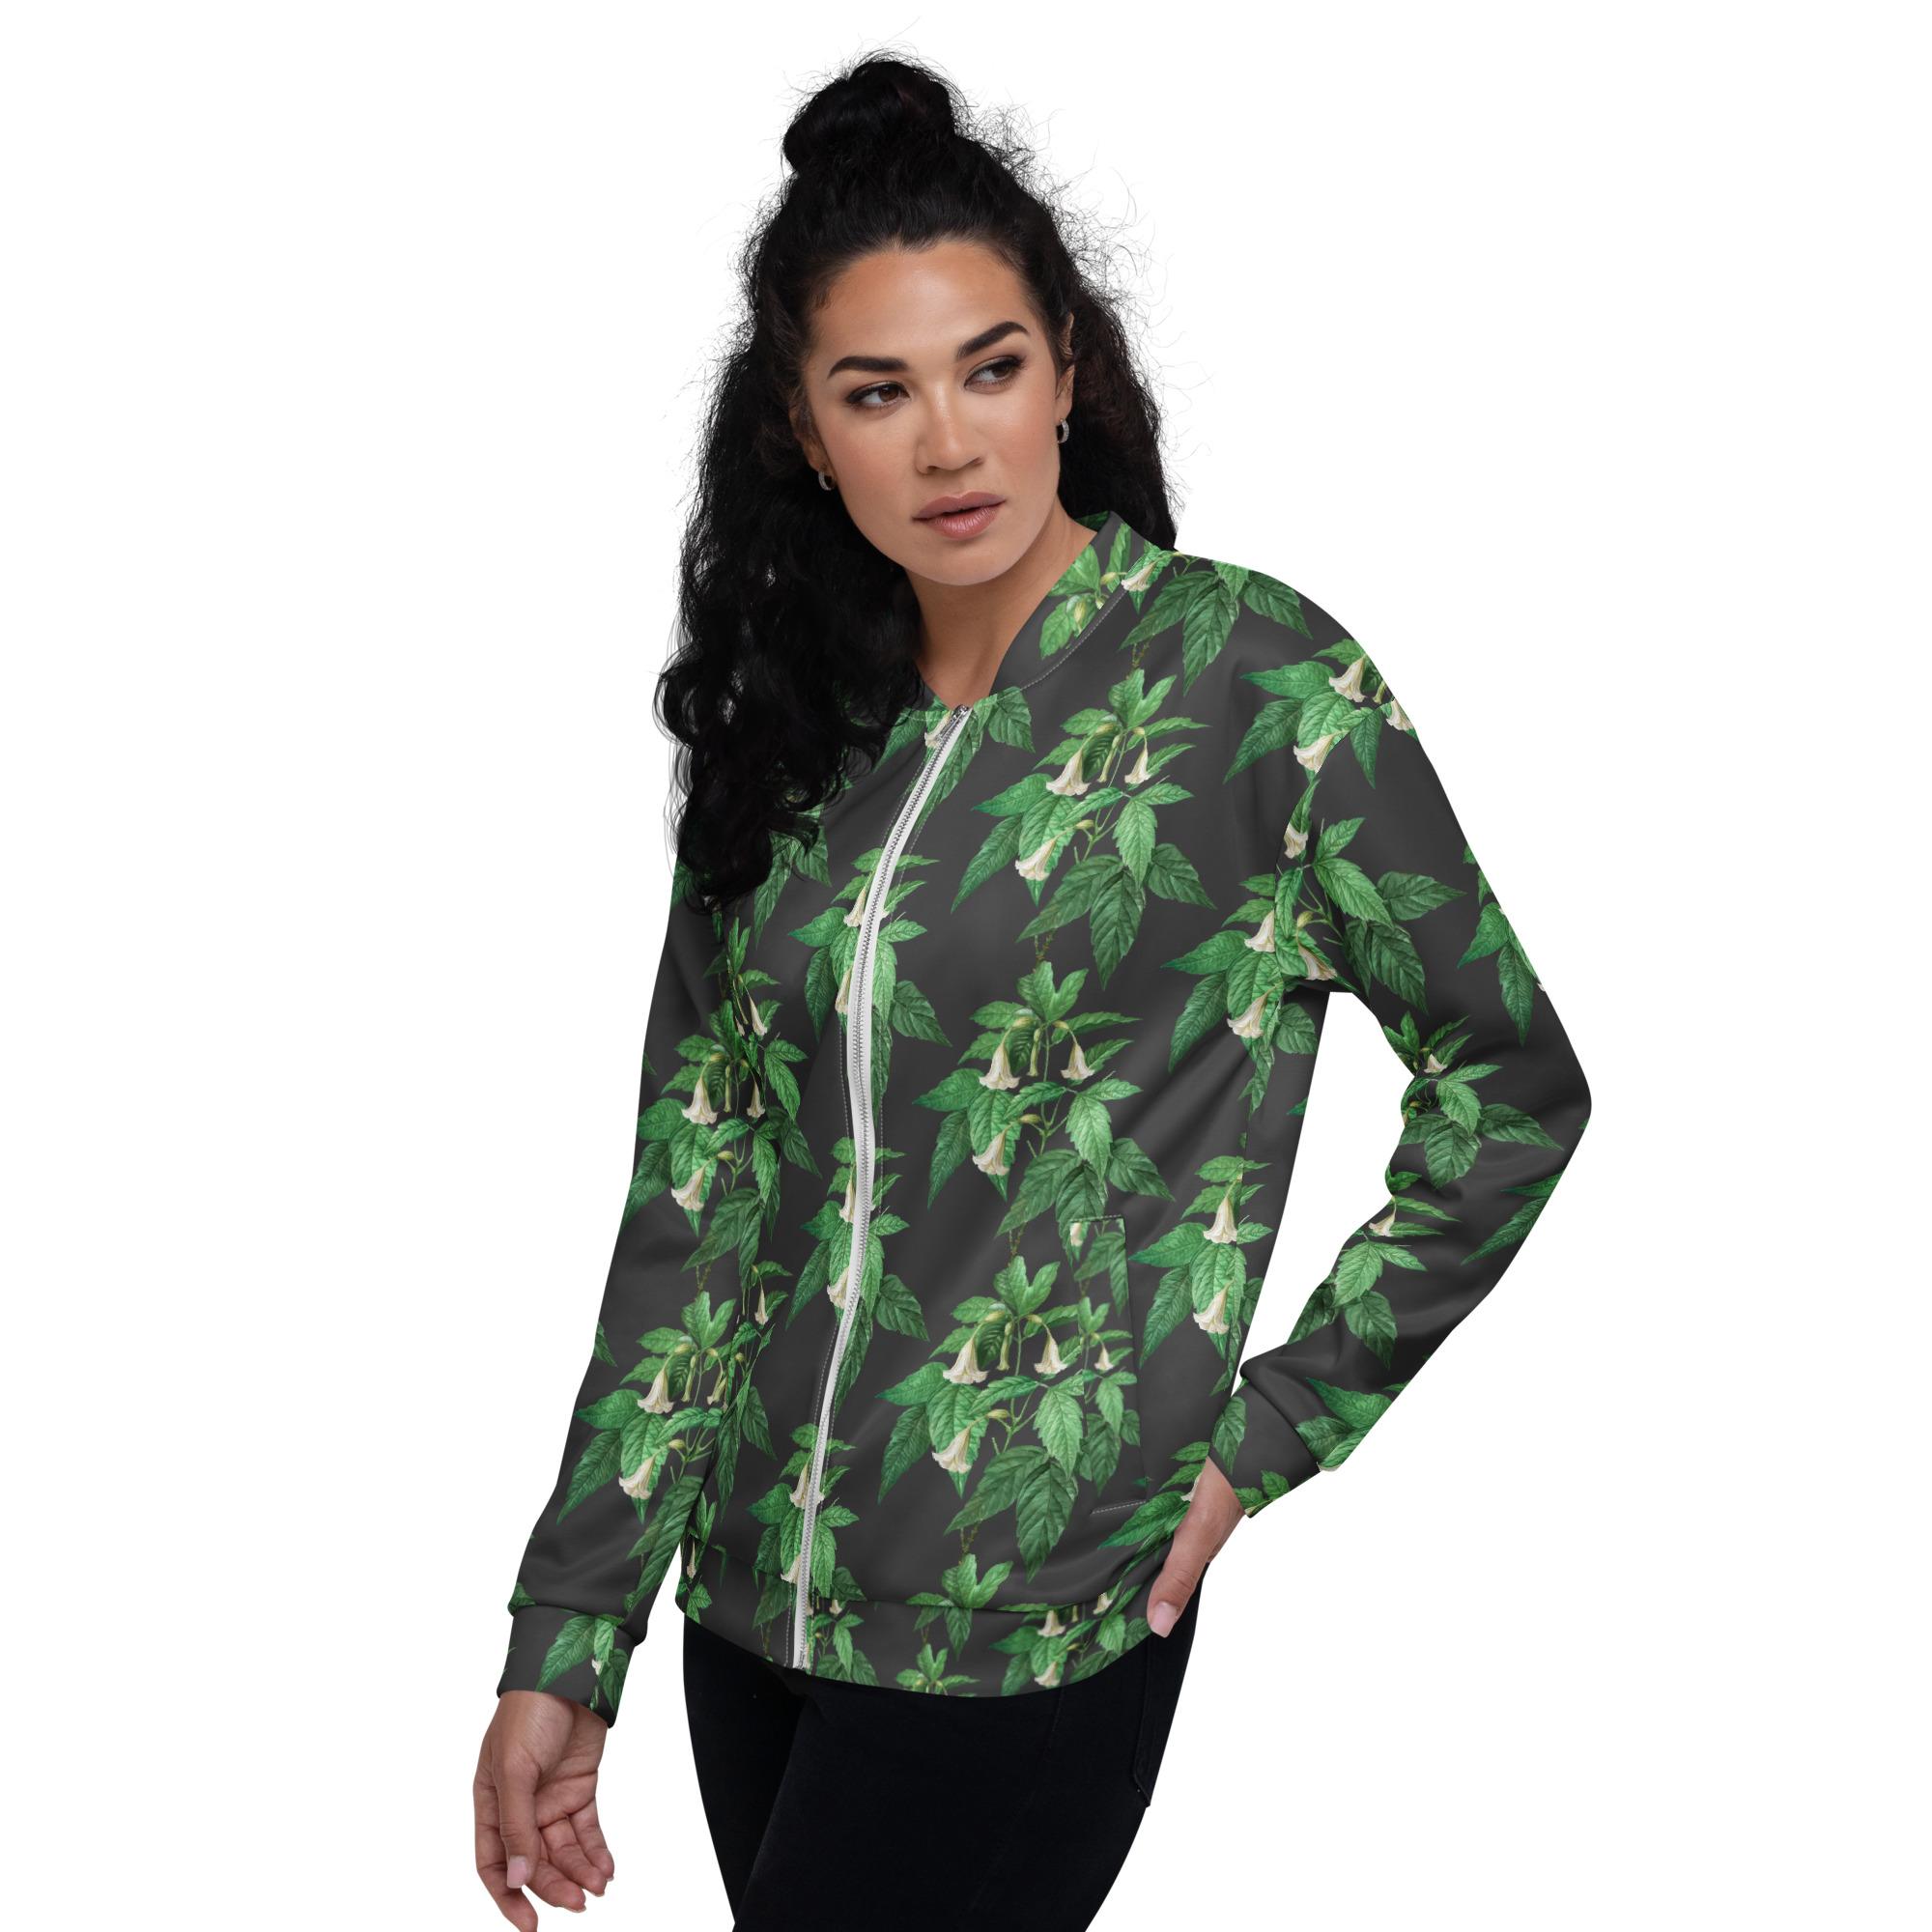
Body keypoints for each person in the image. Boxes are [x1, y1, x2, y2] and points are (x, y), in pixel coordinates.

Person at [472, 51, 1593, 1932]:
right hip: (748, 1617)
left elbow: (1511, 1085)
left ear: (1067, 369)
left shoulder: (1253, 688)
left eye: (988, 368)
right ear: (802, 433)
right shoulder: (792, 736)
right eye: (877, 392)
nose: (947, 443)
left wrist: (1266, 1431)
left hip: (1029, 1619)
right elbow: (697, 1204)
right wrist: (570, 1630)